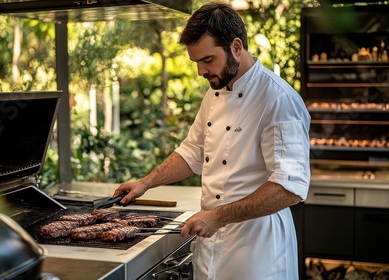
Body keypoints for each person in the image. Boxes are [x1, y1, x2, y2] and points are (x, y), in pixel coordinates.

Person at [113, 2, 311, 279]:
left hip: (258, 250)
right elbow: (192, 152)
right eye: (196, 62)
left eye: (207, 60)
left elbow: (289, 187)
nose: (200, 72)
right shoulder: (215, 91)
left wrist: (218, 217)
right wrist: (145, 183)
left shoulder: (278, 100)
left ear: (236, 47)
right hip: (211, 243)